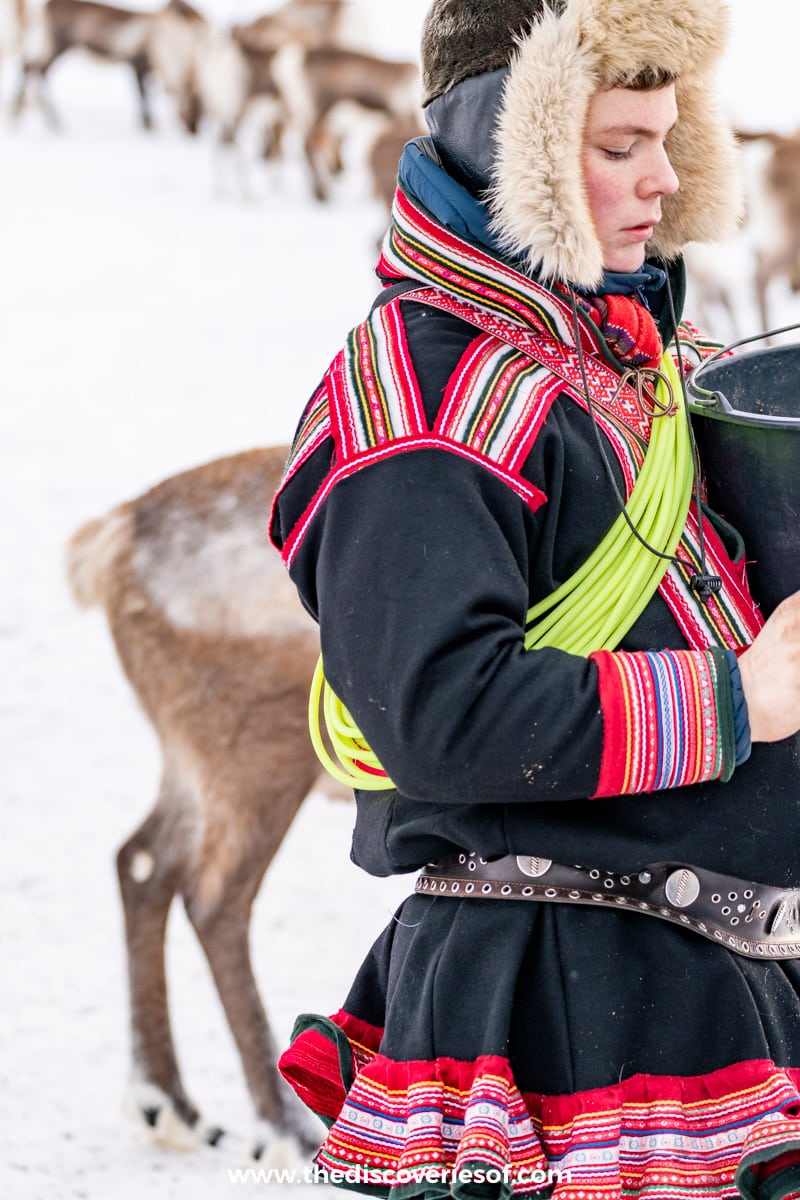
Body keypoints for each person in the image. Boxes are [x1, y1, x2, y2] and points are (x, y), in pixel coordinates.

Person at [269, 1, 800, 1196]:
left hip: (708, 988)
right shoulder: (423, 397)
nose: (663, 178)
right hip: (564, 1011)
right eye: (617, 145)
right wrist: (733, 699)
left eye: (667, 136)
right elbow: (437, 717)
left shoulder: (634, 361)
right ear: (511, 147)